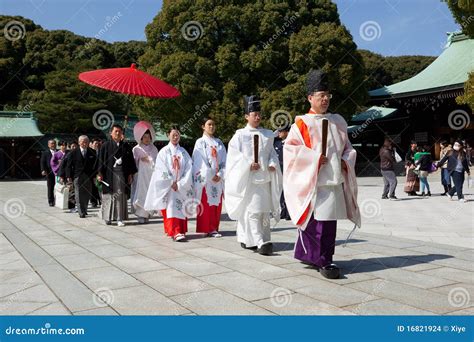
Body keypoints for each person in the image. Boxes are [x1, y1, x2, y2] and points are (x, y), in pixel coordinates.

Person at [283, 69, 361, 279]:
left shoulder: (338, 122)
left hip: (333, 179)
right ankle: (322, 260)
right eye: (321, 95)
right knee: (314, 222)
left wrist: (345, 161)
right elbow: (290, 150)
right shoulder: (300, 124)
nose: (325, 99)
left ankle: (317, 256)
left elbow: (349, 149)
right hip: (312, 181)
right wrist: (314, 159)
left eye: (328, 95)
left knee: (328, 222)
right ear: (310, 98)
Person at [225, 95, 282, 255]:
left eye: (259, 114)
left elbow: (271, 153)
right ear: (246, 116)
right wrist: (247, 165)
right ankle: (259, 241)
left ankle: (253, 238)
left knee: (264, 211)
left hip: (264, 179)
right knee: (253, 211)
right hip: (248, 180)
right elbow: (234, 158)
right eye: (254, 114)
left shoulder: (267, 134)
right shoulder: (239, 136)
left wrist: (272, 164)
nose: (257, 117)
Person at [145, 126, 194, 241]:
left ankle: (180, 230)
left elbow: (189, 168)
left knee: (180, 207)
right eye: (173, 135)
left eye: (177, 135)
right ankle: (174, 231)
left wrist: (181, 183)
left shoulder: (183, 152)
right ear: (168, 135)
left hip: (181, 186)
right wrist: (171, 182)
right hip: (169, 186)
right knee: (171, 207)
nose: (176, 137)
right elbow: (160, 169)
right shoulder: (164, 152)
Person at [192, 117, 227, 238]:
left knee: (216, 204)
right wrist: (211, 174)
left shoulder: (219, 143)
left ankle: (213, 228)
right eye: (209, 124)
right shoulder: (200, 142)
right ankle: (204, 228)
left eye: (213, 124)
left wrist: (221, 173)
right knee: (206, 204)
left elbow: (224, 160)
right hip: (206, 178)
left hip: (217, 177)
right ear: (203, 126)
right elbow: (199, 161)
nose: (212, 127)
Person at [98, 124, 137, 226]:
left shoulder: (126, 146)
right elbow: (101, 160)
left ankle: (119, 218)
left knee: (120, 196)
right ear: (111, 133)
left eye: (119, 131)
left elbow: (130, 162)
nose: (118, 133)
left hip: (121, 174)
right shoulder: (105, 146)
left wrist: (130, 174)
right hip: (108, 173)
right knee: (108, 196)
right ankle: (107, 217)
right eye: (116, 131)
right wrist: (99, 173)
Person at [131, 121, 159, 224]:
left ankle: (147, 214)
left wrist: (150, 160)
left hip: (151, 176)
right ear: (141, 138)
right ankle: (140, 215)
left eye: (149, 136)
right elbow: (134, 163)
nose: (147, 139)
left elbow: (157, 161)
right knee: (141, 194)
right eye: (145, 137)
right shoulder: (136, 149)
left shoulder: (154, 148)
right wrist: (141, 160)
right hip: (140, 176)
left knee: (150, 194)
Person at [66, 135, 98, 218]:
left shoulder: (92, 152)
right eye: (83, 142)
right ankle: (81, 212)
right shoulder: (73, 152)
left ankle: (85, 209)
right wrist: (69, 176)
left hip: (89, 176)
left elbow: (96, 165)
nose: (84, 143)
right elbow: (68, 165)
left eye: (86, 142)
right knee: (78, 194)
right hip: (78, 176)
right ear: (79, 142)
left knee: (87, 193)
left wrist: (95, 175)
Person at [274, 124, 292, 220]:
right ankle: (283, 211)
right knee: (281, 192)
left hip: (288, 170)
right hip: (280, 170)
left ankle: (290, 212)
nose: (279, 133)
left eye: (281, 131)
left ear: (287, 132)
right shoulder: (277, 143)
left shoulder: (291, 143)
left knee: (289, 192)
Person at [40, 139, 57, 206]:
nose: (53, 145)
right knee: (50, 187)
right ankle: (51, 201)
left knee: (60, 187)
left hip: (58, 172)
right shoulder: (45, 153)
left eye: (54, 143)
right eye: (51, 143)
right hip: (49, 172)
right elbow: (42, 162)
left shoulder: (58, 152)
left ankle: (59, 200)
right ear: (48, 145)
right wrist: (43, 170)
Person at [89, 138, 102, 208]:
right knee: (93, 188)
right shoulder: (90, 152)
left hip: (100, 172)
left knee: (100, 187)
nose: (97, 145)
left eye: (98, 143)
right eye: (95, 143)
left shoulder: (101, 151)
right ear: (91, 144)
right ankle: (93, 201)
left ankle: (100, 200)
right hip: (92, 173)